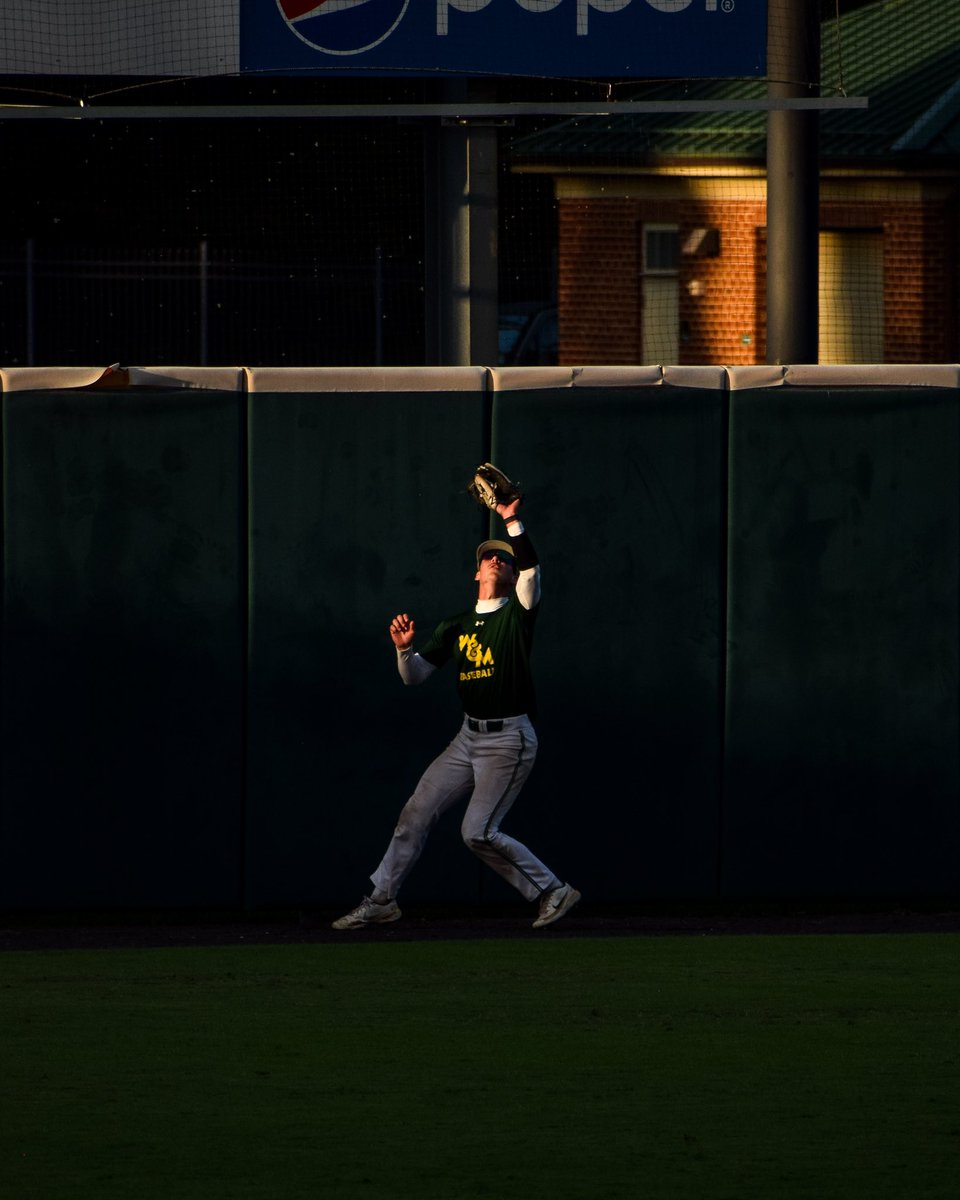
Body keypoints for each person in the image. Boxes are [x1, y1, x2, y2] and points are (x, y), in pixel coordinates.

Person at [332, 492, 580, 931]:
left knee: (477, 832)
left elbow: (531, 569)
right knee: (416, 812)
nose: (497, 561)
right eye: (489, 558)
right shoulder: (456, 625)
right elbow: (414, 677)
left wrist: (511, 521)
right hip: (468, 738)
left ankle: (552, 891)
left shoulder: (518, 613)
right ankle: (382, 899)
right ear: (477, 570)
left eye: (503, 559)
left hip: (509, 739)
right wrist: (404, 651)